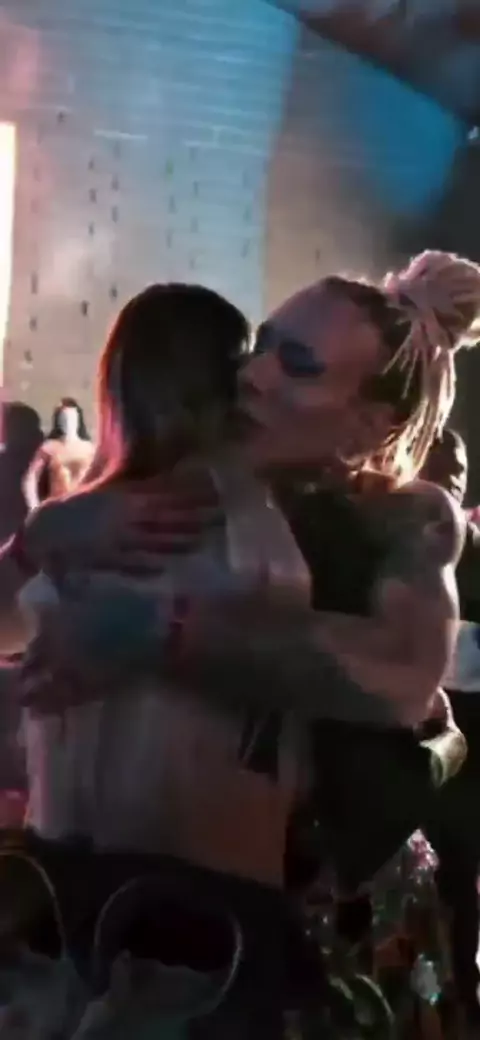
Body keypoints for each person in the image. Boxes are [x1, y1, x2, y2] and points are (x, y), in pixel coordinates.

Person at [0, 254, 478, 1025]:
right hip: (80, 921)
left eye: (298, 365)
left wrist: (164, 632)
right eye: (261, 345)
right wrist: (43, 538)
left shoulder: (397, 522)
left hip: (273, 944)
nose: (251, 375)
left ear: (369, 424)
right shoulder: (158, 492)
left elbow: (399, 676)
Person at [420, 429, 480, 1026]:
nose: (446, 482)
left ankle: (463, 999)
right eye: (435, 468)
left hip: (464, 758)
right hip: (397, 755)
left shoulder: (476, 554)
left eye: (455, 472)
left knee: (460, 881)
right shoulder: (379, 544)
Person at [22, 397, 94, 510]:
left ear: (78, 419)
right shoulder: (49, 447)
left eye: (71, 418)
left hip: (84, 507)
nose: (68, 422)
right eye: (63, 418)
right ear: (58, 421)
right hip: (57, 506)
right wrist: (34, 507)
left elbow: (100, 479)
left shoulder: (89, 448)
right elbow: (31, 480)